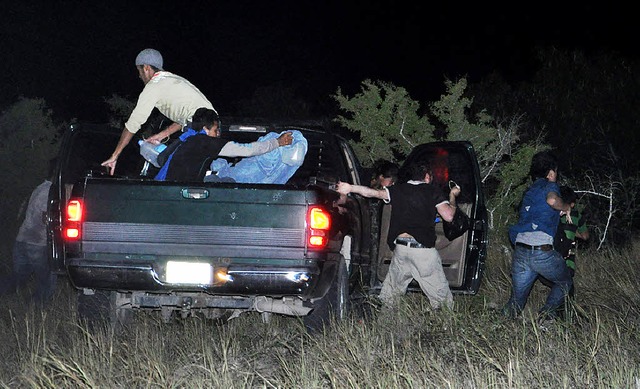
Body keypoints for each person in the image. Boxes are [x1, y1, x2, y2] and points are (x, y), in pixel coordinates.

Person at [336, 162, 460, 309]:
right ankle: (445, 327)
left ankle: (385, 326)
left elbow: (372, 193)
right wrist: (452, 196)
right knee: (442, 300)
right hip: (422, 253)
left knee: (390, 297)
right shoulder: (432, 191)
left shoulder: (398, 189)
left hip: (401, 250)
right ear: (427, 177)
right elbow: (449, 216)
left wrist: (350, 188)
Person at [101, 48, 217, 175]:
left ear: (146, 68)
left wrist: (115, 155)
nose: (139, 76)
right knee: (187, 169)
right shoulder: (172, 80)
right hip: (212, 126)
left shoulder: (154, 85)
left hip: (200, 127)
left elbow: (133, 124)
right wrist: (160, 136)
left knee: (165, 162)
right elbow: (184, 119)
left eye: (139, 71)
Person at [502, 151, 573, 322]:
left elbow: (539, 211)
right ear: (550, 173)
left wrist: (557, 212)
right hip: (541, 252)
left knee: (516, 301)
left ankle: (498, 325)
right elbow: (552, 201)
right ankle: (545, 316)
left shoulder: (530, 191)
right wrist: (566, 207)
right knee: (565, 282)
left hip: (520, 251)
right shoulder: (550, 186)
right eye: (555, 172)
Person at [155, 108, 293, 181]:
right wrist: (277, 142)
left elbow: (162, 159)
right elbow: (247, 150)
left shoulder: (187, 138)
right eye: (215, 130)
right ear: (205, 129)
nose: (218, 135)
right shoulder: (203, 142)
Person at [0, 162, 57, 303]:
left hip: (22, 240)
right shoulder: (49, 191)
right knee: (48, 279)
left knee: (18, 277)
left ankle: (12, 300)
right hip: (37, 243)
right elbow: (46, 218)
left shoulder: (40, 188)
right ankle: (37, 306)